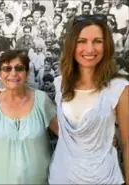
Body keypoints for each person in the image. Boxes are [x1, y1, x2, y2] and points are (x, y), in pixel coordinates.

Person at [48, 14, 129, 184]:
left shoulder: (119, 88)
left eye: (97, 41)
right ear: (72, 45)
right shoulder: (60, 84)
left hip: (104, 179)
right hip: (61, 177)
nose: (90, 49)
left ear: (106, 46)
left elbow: (128, 144)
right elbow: (61, 126)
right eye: (82, 41)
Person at [0, 50, 58, 184]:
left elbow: (64, 135)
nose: (13, 73)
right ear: (0, 74)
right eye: (7, 69)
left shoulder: (41, 100)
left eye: (19, 68)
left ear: (27, 72)